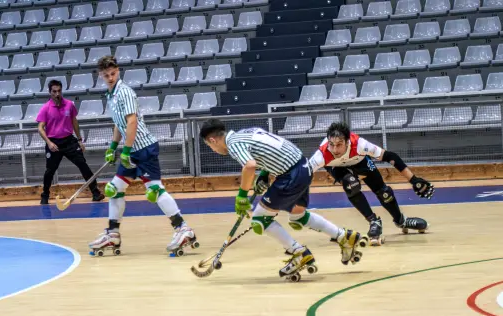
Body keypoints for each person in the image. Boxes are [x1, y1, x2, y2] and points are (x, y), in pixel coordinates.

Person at [199, 119, 369, 281]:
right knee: (298, 216)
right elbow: (268, 150)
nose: (213, 150)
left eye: (210, 146)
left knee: (259, 220)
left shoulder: (233, 144)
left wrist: (242, 196)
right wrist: (264, 174)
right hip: (304, 167)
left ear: (213, 140)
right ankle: (343, 236)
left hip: (290, 175)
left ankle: (298, 253)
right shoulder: (246, 133)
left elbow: (249, 165)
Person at [88, 55, 198, 256]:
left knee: (154, 190)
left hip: (143, 149)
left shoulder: (125, 93)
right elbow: (119, 123)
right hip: (130, 150)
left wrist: (126, 150)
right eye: (106, 75)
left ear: (118, 71)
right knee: (114, 189)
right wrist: (113, 146)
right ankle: (113, 233)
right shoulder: (110, 95)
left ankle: (183, 229)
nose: (110, 78)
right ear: (100, 76)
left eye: (112, 74)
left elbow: (132, 122)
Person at [308, 122, 434, 246]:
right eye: (331, 145)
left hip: (360, 162)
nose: (334, 149)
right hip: (336, 167)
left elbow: (391, 156)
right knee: (350, 184)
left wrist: (413, 180)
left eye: (339, 145)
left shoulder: (360, 145)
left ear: (347, 142)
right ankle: (374, 221)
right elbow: (304, 174)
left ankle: (401, 221)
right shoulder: (322, 154)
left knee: (384, 192)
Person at [36, 79, 104, 205]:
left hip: (69, 141)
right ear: (50, 92)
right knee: (50, 171)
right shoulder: (45, 108)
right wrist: (49, 143)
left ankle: (95, 192)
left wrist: (79, 140)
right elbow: (40, 128)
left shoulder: (69, 105)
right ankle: (45, 195)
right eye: (54, 91)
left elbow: (74, 122)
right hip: (54, 143)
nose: (57, 94)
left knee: (83, 165)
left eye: (59, 91)